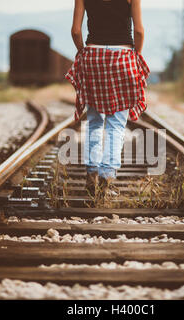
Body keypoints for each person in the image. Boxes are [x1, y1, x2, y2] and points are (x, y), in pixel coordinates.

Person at [65, 0, 150, 198]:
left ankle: (92, 170)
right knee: (116, 124)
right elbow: (139, 31)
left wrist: (82, 51)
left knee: (94, 122)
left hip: (93, 55)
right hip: (123, 55)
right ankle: (107, 174)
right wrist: (135, 55)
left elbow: (76, 31)